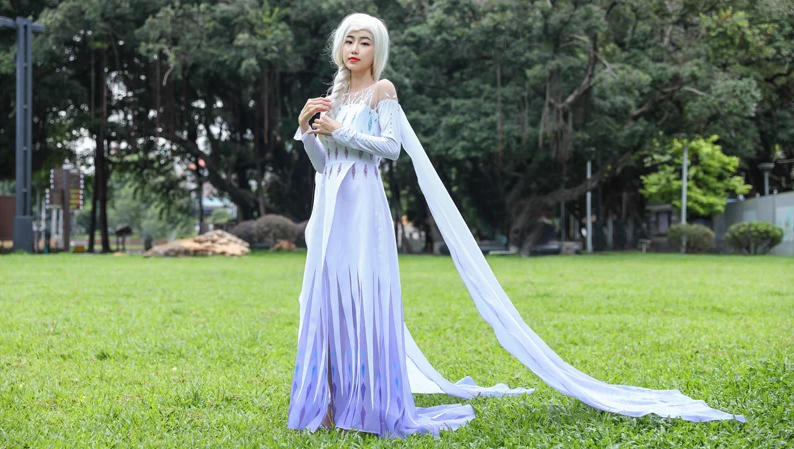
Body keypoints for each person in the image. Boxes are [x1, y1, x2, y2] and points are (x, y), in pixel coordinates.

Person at [288, 12, 744, 439]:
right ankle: (327, 403)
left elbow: (391, 148)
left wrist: (338, 130)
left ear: (377, 50)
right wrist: (308, 130)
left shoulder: (381, 91)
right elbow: (323, 165)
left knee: (365, 298)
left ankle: (369, 406)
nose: (355, 48)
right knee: (326, 299)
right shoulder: (334, 96)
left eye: (365, 42)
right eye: (349, 40)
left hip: (365, 207)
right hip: (331, 210)